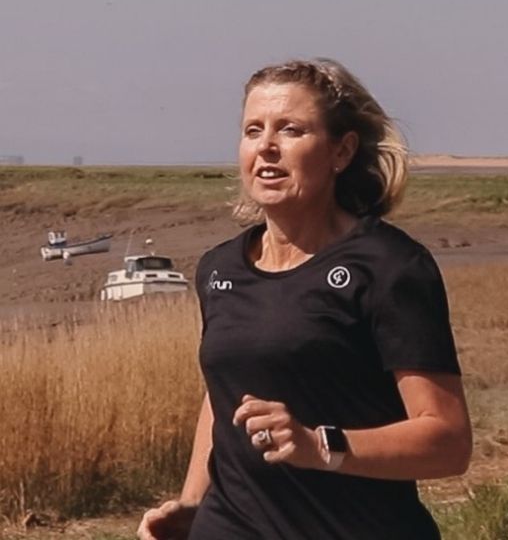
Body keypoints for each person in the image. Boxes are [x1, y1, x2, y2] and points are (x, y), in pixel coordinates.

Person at [137, 58, 472, 540]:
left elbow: (448, 442)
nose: (266, 147)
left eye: (291, 130)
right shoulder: (219, 268)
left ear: (342, 151)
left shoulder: (390, 267)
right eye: (253, 130)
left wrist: (320, 445)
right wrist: (193, 503)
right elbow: (225, 395)